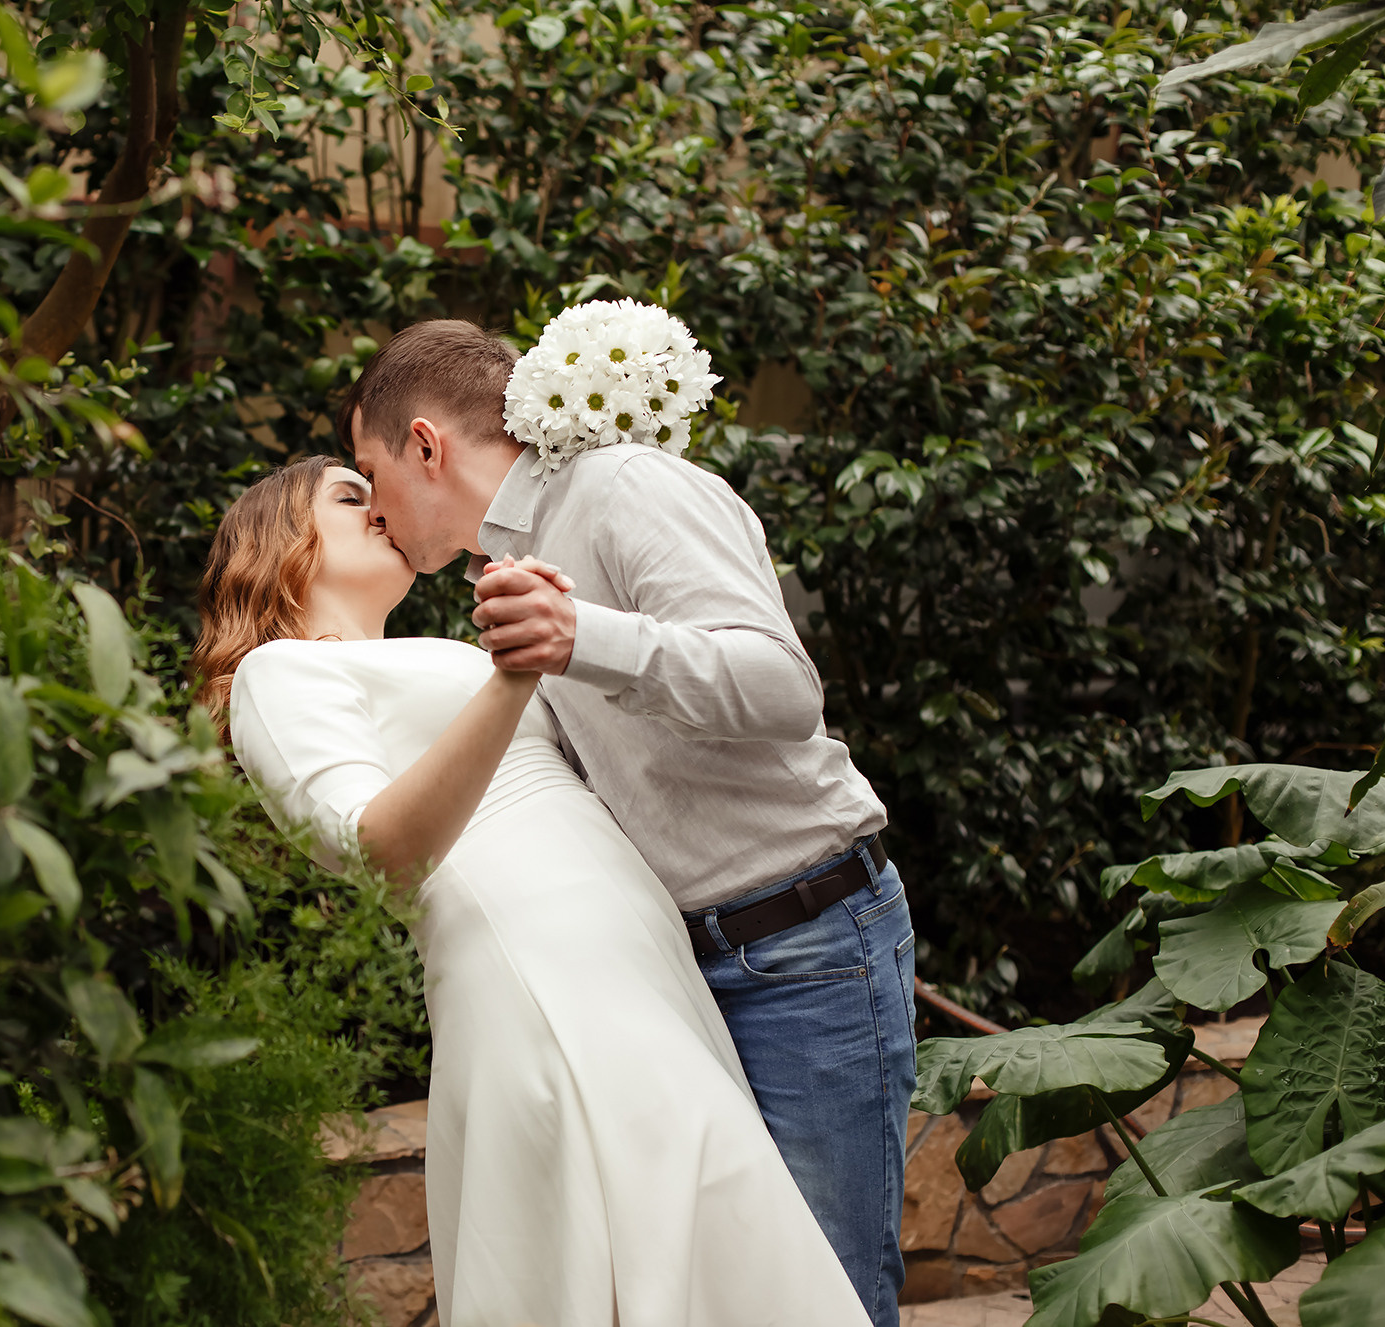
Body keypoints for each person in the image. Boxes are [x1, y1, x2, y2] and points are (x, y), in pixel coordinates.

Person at [195, 454, 869, 1327]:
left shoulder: (432, 650)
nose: (380, 508)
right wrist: (513, 675)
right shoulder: (279, 675)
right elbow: (378, 852)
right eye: (349, 495)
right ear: (278, 542)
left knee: (721, 1258)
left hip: (637, 965)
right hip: (539, 974)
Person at [337, 312, 915, 1327]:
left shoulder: (619, 487)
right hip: (681, 976)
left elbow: (785, 689)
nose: (373, 509)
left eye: (367, 469)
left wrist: (584, 636)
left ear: (424, 444)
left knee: (828, 1296)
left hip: (807, 949)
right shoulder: (499, 578)